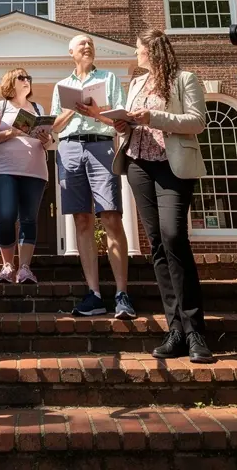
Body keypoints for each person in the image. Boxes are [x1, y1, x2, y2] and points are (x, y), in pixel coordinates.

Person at [112, 29, 213, 361]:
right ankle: (175, 330)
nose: (136, 54)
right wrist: (123, 125)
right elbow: (131, 120)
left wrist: (153, 116)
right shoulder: (137, 83)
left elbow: (198, 121)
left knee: (174, 237)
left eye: (139, 49)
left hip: (172, 165)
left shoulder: (185, 79)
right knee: (156, 244)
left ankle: (195, 330)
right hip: (139, 165)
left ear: (152, 50)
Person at [51, 34, 136, 319]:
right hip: (70, 147)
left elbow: (121, 121)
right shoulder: (62, 86)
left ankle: (122, 293)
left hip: (100, 146)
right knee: (82, 219)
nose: (87, 47)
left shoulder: (109, 79)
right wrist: (69, 111)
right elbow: (53, 126)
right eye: (81, 44)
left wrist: (96, 113)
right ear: (71, 51)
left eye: (90, 43)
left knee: (110, 215)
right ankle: (94, 294)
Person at [0, 67, 51, 284]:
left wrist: (45, 139)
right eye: (21, 77)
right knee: (6, 216)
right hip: (5, 169)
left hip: (35, 170)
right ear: (10, 82)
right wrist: (12, 132)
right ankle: (7, 266)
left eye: (28, 77)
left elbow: (49, 142)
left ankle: (24, 268)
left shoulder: (38, 108)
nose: (26, 80)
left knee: (29, 219)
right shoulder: (0, 107)